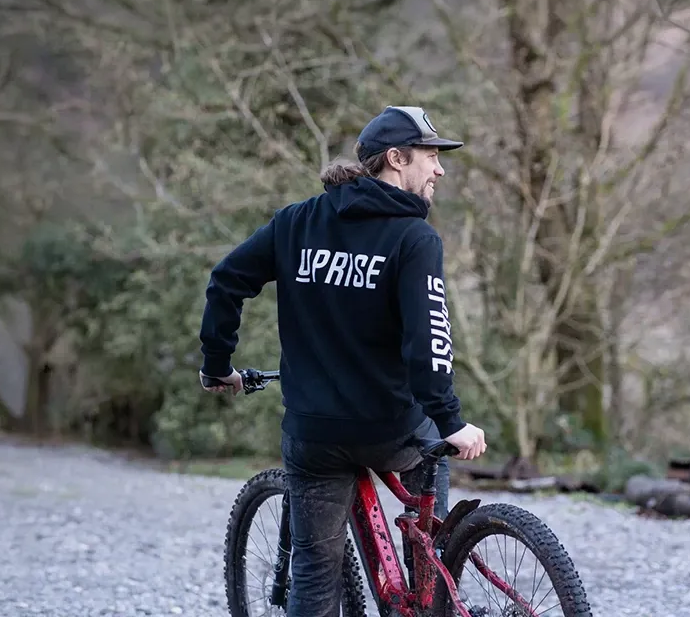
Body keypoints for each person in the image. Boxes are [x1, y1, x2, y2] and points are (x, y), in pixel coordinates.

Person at [194, 105, 487, 616]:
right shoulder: (414, 238)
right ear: (396, 159)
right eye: (431, 157)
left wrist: (218, 364)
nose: (439, 170)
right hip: (390, 429)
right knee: (431, 475)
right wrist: (450, 421)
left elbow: (226, 281)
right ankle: (427, 587)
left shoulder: (296, 222)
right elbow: (429, 340)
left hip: (315, 434)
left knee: (314, 572)